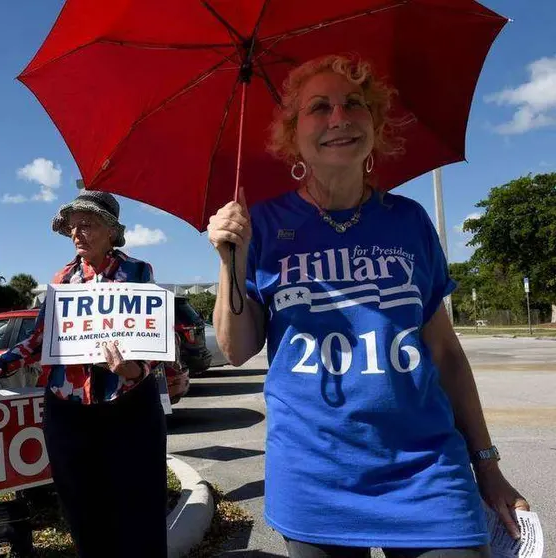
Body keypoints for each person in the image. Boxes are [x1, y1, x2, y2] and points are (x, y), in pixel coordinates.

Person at [208, 55, 529, 558]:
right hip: (315, 478)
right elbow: (236, 349)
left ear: (375, 125)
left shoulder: (409, 220)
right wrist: (232, 260)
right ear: (294, 137)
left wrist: (486, 465)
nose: (339, 117)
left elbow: (444, 353)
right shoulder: (262, 224)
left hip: (429, 473)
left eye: (353, 104)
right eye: (319, 108)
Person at [0, 190, 168, 558]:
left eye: (87, 225)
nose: (77, 234)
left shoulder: (138, 271)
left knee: (138, 504)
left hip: (127, 402)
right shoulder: (62, 278)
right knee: (81, 505)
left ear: (111, 232)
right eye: (73, 228)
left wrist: (136, 369)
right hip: (67, 406)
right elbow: (40, 338)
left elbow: (153, 335)